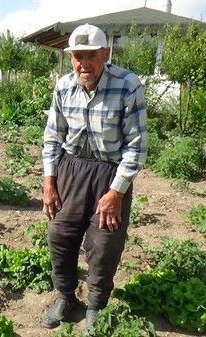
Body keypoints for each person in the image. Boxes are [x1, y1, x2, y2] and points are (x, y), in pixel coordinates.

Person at [41, 24, 147, 336]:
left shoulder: (127, 85)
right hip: (70, 170)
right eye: (77, 57)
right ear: (70, 57)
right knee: (60, 235)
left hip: (110, 175)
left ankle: (96, 306)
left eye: (90, 56)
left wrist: (117, 192)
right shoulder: (64, 86)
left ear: (106, 54)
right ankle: (66, 297)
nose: (83, 63)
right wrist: (49, 181)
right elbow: (52, 138)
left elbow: (137, 145)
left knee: (104, 244)